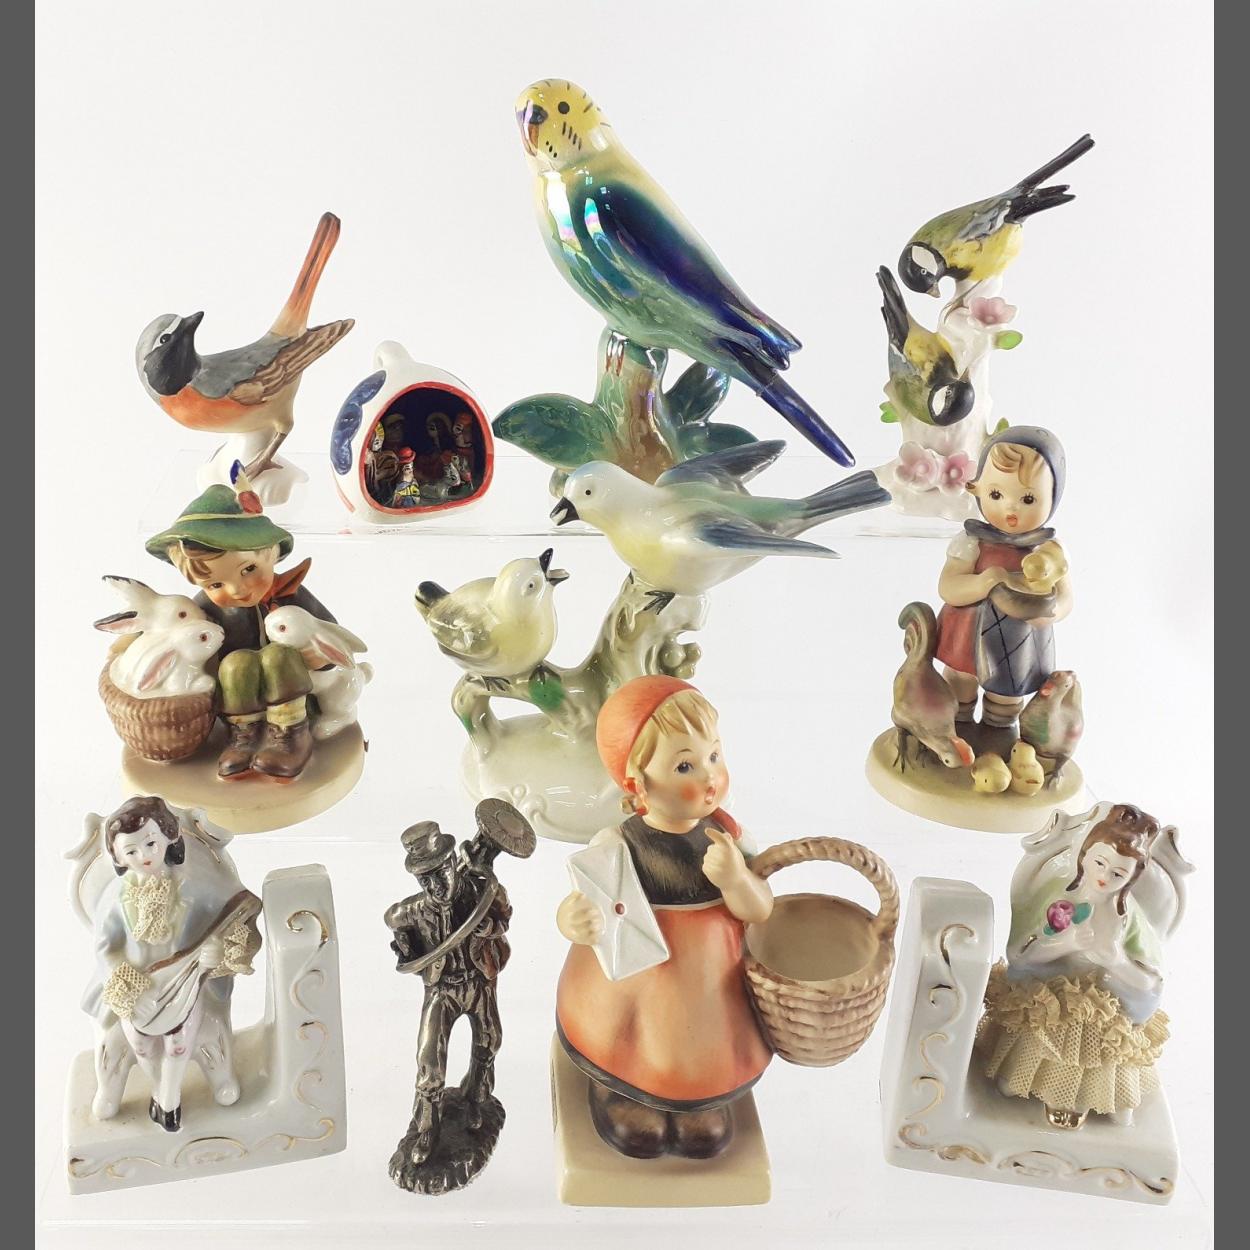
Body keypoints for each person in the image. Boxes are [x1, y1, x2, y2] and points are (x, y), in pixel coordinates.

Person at [555, 676, 773, 1160]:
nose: (710, 776)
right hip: (636, 982)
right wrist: (572, 920)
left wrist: (736, 880)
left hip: (713, 985)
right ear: (638, 782)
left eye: (714, 755)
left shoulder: (730, 837)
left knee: (705, 1054)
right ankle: (624, 1092)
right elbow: (586, 902)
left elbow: (761, 910)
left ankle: (699, 1100)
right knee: (629, 1044)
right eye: (684, 765)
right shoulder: (617, 845)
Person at [976, 803, 1169, 1128]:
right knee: (1047, 1031)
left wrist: (1116, 961)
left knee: (1097, 1039)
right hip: (1053, 993)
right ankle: (1026, 1079)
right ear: (1084, 856)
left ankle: (1104, 1097)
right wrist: (1065, 944)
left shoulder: (1127, 919)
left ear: (1131, 877)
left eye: (1118, 873)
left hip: (1105, 1004)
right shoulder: (1061, 902)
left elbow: (1151, 983)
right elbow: (1022, 955)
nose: (1104, 877)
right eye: (1099, 863)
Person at [145, 473, 349, 779]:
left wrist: (320, 659)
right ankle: (244, 735)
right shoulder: (207, 609)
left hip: (299, 699)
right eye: (215, 584)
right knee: (235, 663)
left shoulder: (291, 594)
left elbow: (329, 634)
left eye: (248, 569)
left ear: (272, 553)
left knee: (278, 655)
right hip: (237, 700)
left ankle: (290, 734)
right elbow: (176, 632)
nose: (237, 589)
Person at [82, 796, 260, 1131]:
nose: (144, 856)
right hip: (137, 985)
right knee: (141, 1043)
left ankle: (168, 1097)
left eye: (150, 843)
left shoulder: (191, 888)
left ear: (168, 837)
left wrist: (214, 952)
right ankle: (156, 1086)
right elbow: (105, 948)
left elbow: (225, 922)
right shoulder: (116, 898)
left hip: (186, 985)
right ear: (118, 856)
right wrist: (129, 986)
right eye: (131, 851)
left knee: (178, 1043)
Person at [384, 823, 511, 1166]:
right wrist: (406, 947)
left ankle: (476, 1099)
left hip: (478, 982)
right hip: (442, 990)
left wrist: (488, 926)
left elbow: (504, 914)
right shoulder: (412, 910)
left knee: (489, 1041)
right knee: (429, 1062)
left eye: (439, 874)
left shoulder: (479, 891)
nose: (434, 886)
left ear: (453, 863)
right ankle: (427, 1128)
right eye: (424, 880)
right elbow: (391, 917)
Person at [934, 426, 1072, 728]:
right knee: (959, 682)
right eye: (996, 494)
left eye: (1028, 499)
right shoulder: (971, 542)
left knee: (1007, 695)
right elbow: (948, 587)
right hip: (968, 632)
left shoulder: (1048, 550)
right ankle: (957, 728)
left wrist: (1051, 611)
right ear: (977, 488)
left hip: (1021, 636)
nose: (1010, 506)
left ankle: (998, 732)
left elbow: (1065, 598)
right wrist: (985, 581)